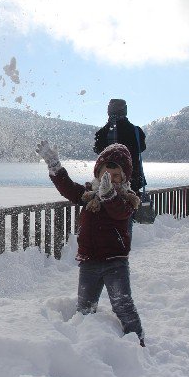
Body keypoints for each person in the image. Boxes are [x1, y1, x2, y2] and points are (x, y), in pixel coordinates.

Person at [36, 140, 145, 347]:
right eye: (106, 175)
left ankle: (137, 344)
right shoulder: (88, 195)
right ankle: (86, 346)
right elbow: (68, 189)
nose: (110, 180)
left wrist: (109, 195)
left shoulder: (128, 200)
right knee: (85, 307)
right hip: (89, 263)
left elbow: (118, 212)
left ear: (124, 178)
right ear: (97, 173)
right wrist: (54, 165)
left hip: (116, 263)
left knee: (122, 305)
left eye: (116, 176)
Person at [93, 99, 146, 194]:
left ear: (109, 111)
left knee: (106, 205)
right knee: (129, 207)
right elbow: (141, 148)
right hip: (131, 182)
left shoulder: (101, 133)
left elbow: (97, 150)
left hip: (105, 182)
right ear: (125, 111)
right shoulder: (136, 131)